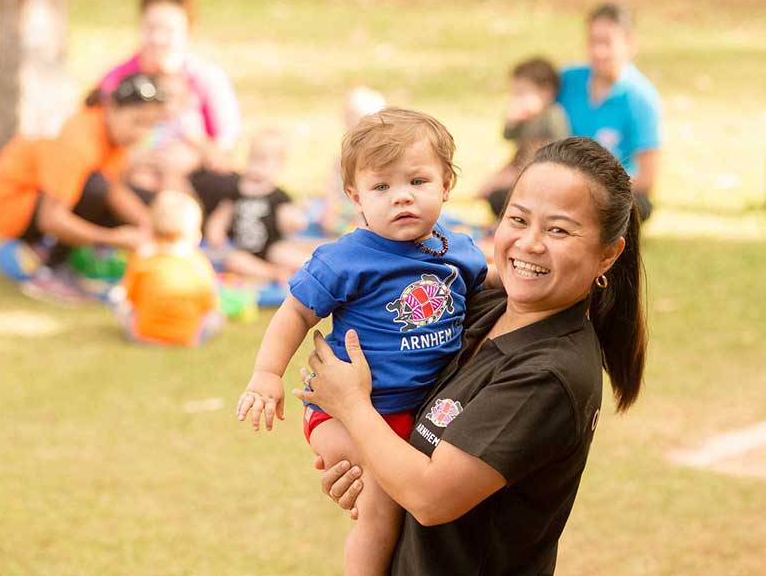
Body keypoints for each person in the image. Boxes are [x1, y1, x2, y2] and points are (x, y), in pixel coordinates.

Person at [299, 136, 646, 575]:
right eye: (517, 219)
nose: (530, 243)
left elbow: (429, 496)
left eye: (558, 229)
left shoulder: (548, 374)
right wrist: (364, 464)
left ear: (608, 254)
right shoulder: (482, 309)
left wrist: (351, 406)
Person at [235, 109, 490, 576]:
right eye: (382, 188)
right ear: (355, 197)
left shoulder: (462, 253)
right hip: (345, 414)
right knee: (381, 511)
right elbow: (294, 310)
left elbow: (491, 296)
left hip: (423, 413)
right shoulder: (345, 259)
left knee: (422, 504)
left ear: (447, 184)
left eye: (418, 180)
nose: (402, 198)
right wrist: (267, 374)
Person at [0, 73, 167, 270]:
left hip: (52, 199)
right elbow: (52, 218)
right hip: (15, 210)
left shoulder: (113, 135)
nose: (141, 133)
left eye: (150, 125)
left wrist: (149, 226)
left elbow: (114, 188)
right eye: (137, 122)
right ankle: (49, 261)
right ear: (111, 109)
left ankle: (70, 252)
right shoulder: (78, 142)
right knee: (95, 188)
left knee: (136, 198)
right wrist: (113, 239)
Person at [98, 0, 242, 171]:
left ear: (187, 31)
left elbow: (225, 148)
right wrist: (129, 158)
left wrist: (195, 158)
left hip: (196, 174)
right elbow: (95, 135)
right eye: (150, 28)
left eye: (168, 30)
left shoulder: (208, 78)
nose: (157, 38)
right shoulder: (118, 78)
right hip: (132, 173)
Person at [558, 2, 661, 222]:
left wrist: (594, 192)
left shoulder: (641, 97)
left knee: (638, 207)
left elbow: (647, 176)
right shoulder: (568, 80)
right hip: (561, 180)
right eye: (593, 42)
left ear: (629, 43)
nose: (598, 52)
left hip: (610, 190)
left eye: (606, 43)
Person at [115, 189, 222, 346]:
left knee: (119, 300)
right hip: (188, 337)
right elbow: (209, 305)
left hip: (144, 337)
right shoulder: (199, 263)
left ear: (149, 229)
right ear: (196, 233)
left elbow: (128, 299)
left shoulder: (143, 260)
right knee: (216, 317)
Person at [203, 129, 310, 282]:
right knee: (233, 260)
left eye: (264, 161)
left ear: (278, 167)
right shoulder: (236, 192)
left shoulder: (277, 195)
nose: (256, 167)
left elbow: (293, 220)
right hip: (246, 252)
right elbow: (222, 215)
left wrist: (294, 220)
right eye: (252, 159)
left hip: (272, 247)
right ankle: (273, 273)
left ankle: (315, 269)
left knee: (283, 253)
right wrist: (215, 232)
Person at [474, 56, 570, 218]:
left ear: (546, 92)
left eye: (522, 93)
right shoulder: (527, 119)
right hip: (521, 171)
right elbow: (508, 137)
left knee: (502, 197)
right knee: (496, 196)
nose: (516, 100)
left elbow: (555, 151)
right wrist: (512, 122)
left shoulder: (552, 115)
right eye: (514, 94)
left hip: (543, 181)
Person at [318, 86, 387, 236]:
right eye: (349, 118)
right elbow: (332, 186)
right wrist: (329, 209)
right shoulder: (342, 157)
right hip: (345, 211)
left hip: (371, 210)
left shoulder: (383, 155)